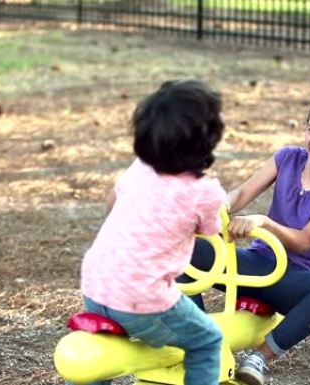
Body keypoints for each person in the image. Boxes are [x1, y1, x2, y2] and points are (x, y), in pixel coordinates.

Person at [178, 95, 310, 385]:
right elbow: (238, 196)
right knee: (179, 246)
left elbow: (304, 241)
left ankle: (260, 357)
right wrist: (215, 210)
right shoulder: (287, 158)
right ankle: (201, 341)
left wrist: (262, 221)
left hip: (294, 283)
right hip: (257, 267)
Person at [76, 80, 227, 385]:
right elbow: (213, 233)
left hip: (95, 285)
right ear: (208, 139)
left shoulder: (141, 167)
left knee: (100, 355)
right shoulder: (205, 192)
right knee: (208, 340)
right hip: (142, 297)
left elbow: (112, 201)